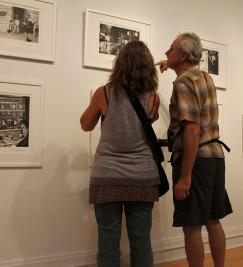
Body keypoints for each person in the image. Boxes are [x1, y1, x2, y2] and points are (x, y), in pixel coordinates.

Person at [80, 40, 160, 267]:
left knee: (107, 240)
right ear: (148, 67)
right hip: (142, 177)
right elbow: (147, 123)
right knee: (141, 240)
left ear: (120, 63)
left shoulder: (103, 94)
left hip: (107, 176)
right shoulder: (153, 98)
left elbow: (86, 125)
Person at [156, 33, 233, 267]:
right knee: (213, 219)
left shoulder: (182, 83)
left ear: (183, 55)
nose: (166, 53)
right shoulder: (205, 77)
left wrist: (185, 176)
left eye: (170, 49)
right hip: (215, 158)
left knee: (192, 225)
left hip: (196, 161)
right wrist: (168, 64)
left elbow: (192, 130)